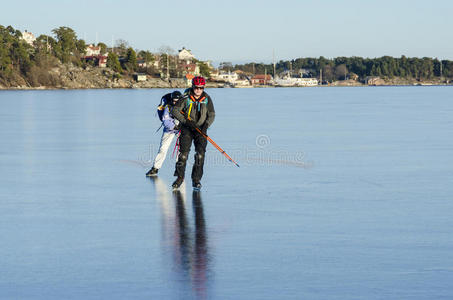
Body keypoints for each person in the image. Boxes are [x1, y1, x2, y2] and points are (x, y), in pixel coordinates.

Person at [171, 76, 215, 189]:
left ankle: (196, 180)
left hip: (201, 130)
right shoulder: (186, 97)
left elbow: (212, 114)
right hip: (187, 128)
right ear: (193, 86)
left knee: (200, 155)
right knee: (183, 155)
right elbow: (174, 110)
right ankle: (180, 177)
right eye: (196, 87)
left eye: (201, 88)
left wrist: (206, 125)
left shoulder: (207, 98)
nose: (198, 90)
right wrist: (186, 121)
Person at [146, 90, 182, 177]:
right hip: (169, 130)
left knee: (181, 150)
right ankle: (155, 168)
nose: (175, 102)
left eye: (177, 101)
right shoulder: (168, 107)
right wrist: (174, 127)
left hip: (181, 130)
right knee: (163, 149)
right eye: (174, 100)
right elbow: (165, 121)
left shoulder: (184, 106)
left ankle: (179, 169)